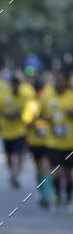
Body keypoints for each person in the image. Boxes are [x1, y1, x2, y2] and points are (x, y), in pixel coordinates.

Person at [40, 68, 73, 210]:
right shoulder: (49, 96)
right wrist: (46, 118)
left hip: (70, 142)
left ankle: (69, 199)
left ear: (67, 81)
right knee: (57, 172)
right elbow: (41, 114)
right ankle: (58, 195)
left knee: (70, 173)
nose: (59, 82)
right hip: (53, 142)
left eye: (62, 79)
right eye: (57, 79)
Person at [0, 76, 30, 188]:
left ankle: (16, 175)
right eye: (13, 85)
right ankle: (11, 171)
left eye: (17, 85)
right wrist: (5, 115)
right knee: (8, 156)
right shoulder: (4, 96)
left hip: (19, 131)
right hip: (6, 131)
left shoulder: (24, 97)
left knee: (18, 153)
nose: (15, 87)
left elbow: (28, 111)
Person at [23, 79, 52, 208]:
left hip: (47, 141)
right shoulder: (30, 104)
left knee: (46, 166)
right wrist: (35, 122)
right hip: (34, 141)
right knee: (38, 168)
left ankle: (46, 195)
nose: (40, 93)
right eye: (38, 91)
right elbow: (27, 121)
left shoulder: (49, 103)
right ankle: (40, 190)